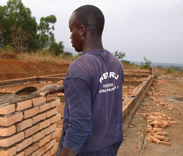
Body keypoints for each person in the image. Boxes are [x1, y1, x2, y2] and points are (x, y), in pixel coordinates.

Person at [39, 5, 124, 156]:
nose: (70, 36)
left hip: (85, 151)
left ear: (81, 29)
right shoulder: (116, 63)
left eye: (71, 29)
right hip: (109, 148)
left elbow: (79, 128)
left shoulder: (78, 69)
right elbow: (98, 88)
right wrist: (61, 87)